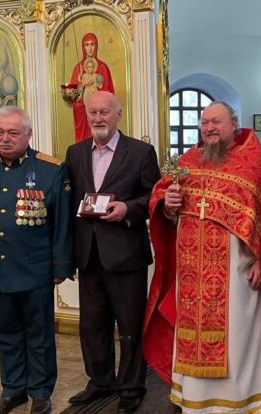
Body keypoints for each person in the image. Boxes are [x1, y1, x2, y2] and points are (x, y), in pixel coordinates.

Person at [143, 102, 261, 413]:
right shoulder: (188, 161)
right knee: (192, 333)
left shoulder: (252, 163)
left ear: (233, 124)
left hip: (238, 272)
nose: (209, 128)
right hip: (192, 273)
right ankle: (194, 398)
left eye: (216, 122)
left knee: (238, 336)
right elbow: (163, 201)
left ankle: (242, 401)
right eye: (204, 123)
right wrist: (168, 206)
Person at [0, 106, 73, 414]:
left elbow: (63, 224)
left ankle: (40, 392)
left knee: (39, 335)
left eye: (13, 133)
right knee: (5, 334)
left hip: (34, 270)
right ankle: (13, 389)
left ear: (28, 134)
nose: (5, 138)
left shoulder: (51, 170)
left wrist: (60, 266)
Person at [65, 91, 160, 413]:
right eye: (92, 112)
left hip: (126, 254)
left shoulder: (141, 152)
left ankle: (131, 387)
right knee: (92, 326)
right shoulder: (75, 152)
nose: (98, 118)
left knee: (130, 326)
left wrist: (127, 209)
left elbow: (153, 196)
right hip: (88, 254)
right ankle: (100, 382)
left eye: (104, 112)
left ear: (119, 114)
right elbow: (70, 200)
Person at [68, 32, 115, 142]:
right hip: (82, 112)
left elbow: (109, 92)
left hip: (98, 113)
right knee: (83, 144)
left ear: (96, 46)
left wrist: (97, 95)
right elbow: (73, 93)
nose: (90, 48)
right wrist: (77, 94)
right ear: (83, 47)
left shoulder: (102, 67)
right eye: (87, 44)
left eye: (92, 44)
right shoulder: (78, 68)